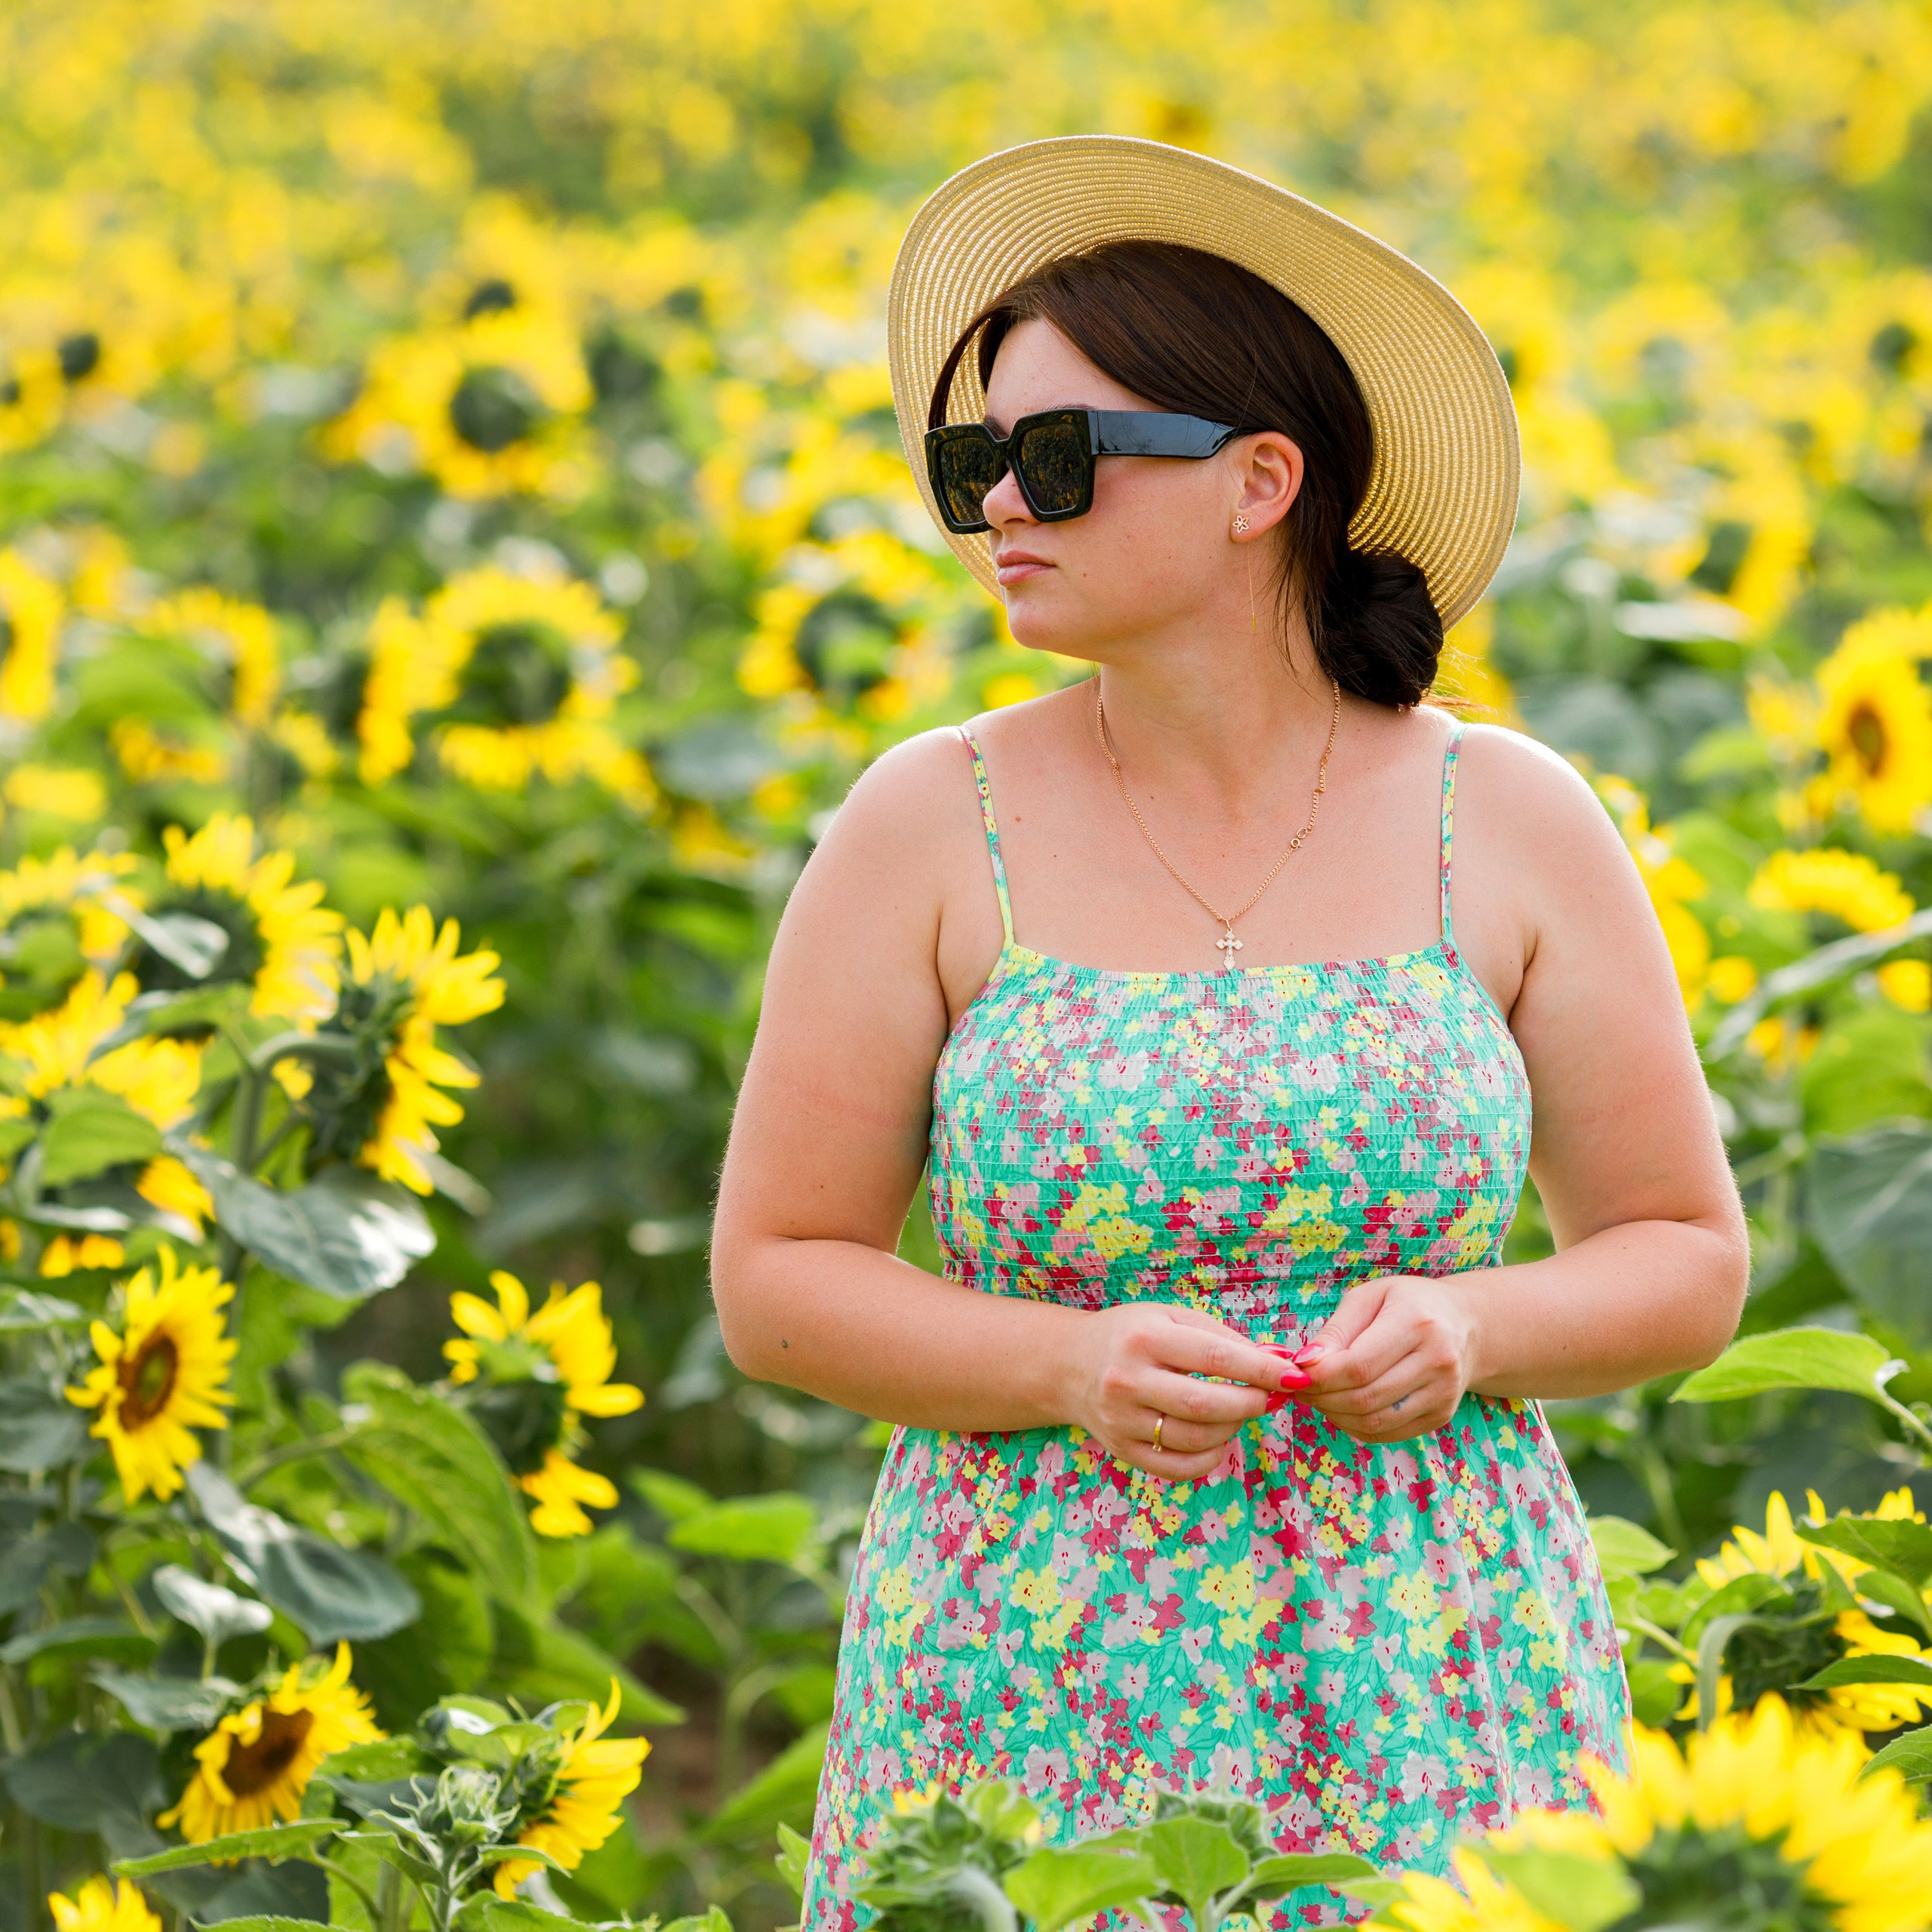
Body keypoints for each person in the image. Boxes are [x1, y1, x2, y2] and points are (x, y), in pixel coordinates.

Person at [709, 135, 1748, 1929]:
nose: (997, 512)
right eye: (973, 466)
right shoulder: (923, 819)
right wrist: (1058, 1365)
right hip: (1024, 1687)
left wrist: (1467, 1318)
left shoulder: (1504, 814)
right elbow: (775, 1274)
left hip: (1434, 1674)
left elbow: (1682, 1253)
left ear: (1261, 479)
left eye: (1051, 458)